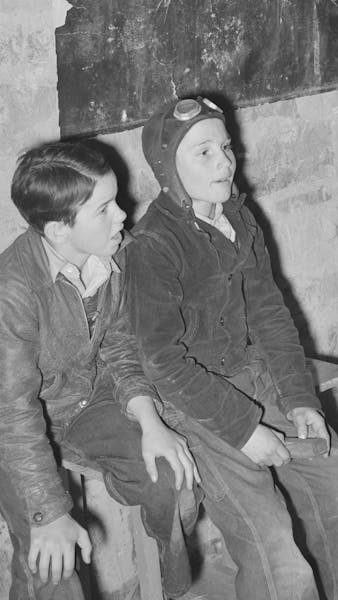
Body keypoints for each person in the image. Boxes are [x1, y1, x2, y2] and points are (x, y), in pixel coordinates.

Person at [125, 95, 338, 600]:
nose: (225, 161)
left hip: (256, 378)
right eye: (203, 153)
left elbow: (272, 315)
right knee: (278, 555)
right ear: (169, 170)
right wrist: (244, 430)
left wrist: (301, 400)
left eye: (226, 147)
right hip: (198, 406)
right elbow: (162, 362)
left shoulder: (238, 216)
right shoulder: (154, 245)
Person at [0, 140, 201, 600]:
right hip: (13, 426)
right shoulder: (12, 291)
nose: (123, 216)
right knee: (52, 562)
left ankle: (173, 590)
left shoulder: (109, 256)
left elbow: (119, 345)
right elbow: (13, 411)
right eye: (105, 208)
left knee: (171, 479)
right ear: (57, 230)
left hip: (85, 402)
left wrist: (151, 424)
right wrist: (49, 513)